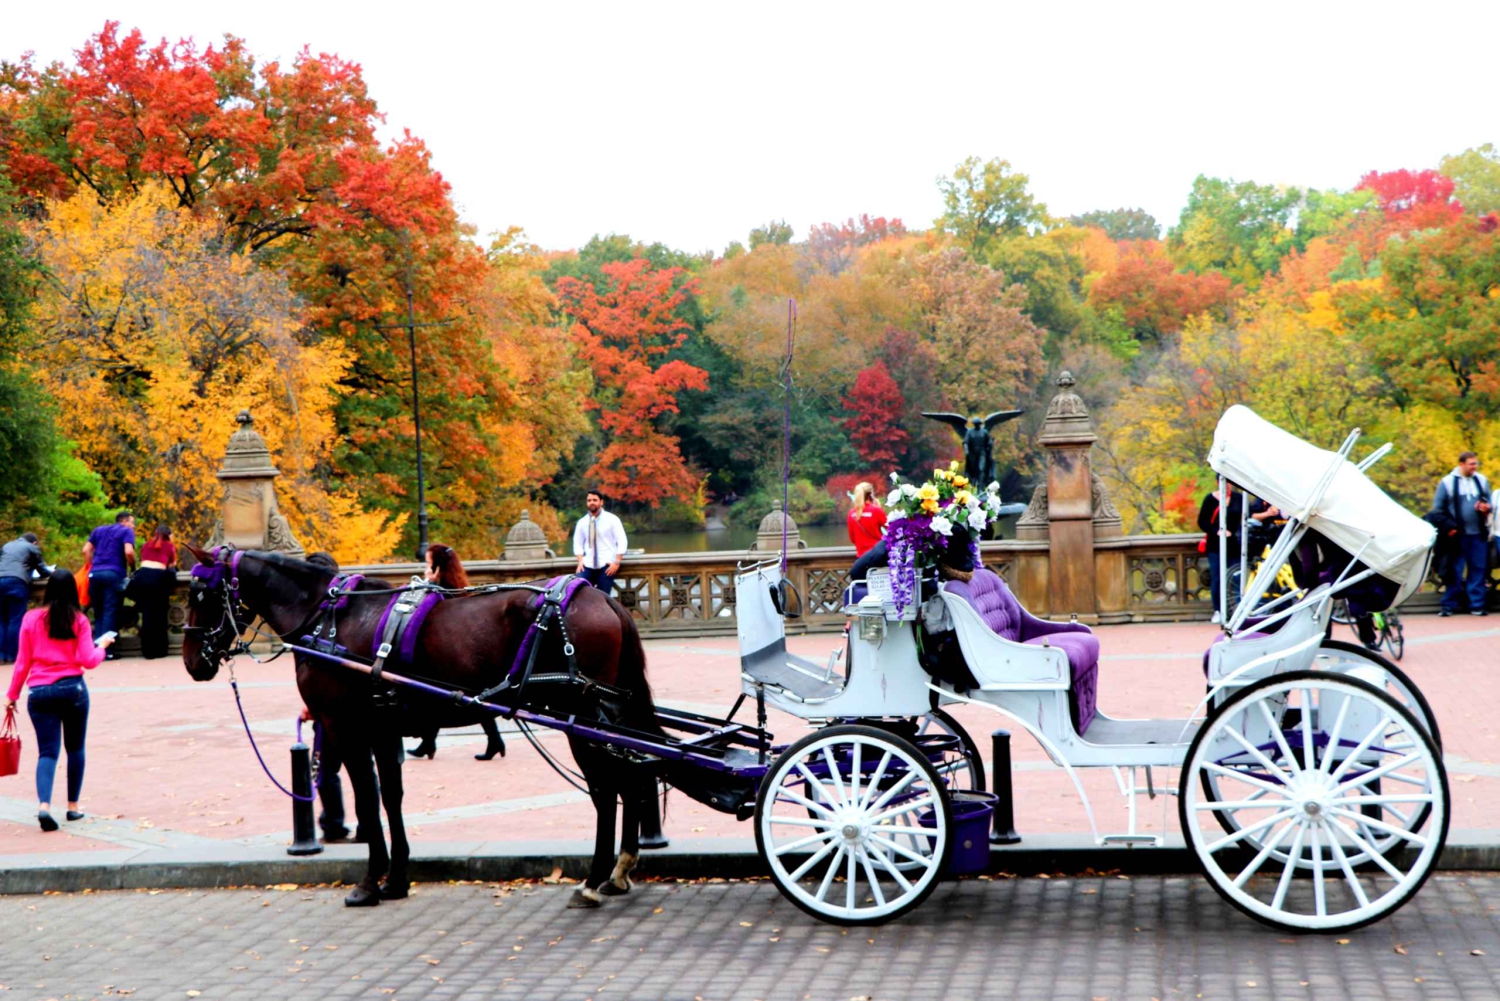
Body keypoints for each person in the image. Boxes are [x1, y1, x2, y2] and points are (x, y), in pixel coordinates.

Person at [6, 569, 111, 831]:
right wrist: (102, 648)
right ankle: (73, 807)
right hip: (72, 689)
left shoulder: (31, 619)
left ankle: (44, 806)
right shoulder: (79, 620)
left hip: (40, 692)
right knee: (75, 748)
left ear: (48, 590)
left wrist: (12, 695)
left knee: (47, 752)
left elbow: (23, 662)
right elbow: (88, 660)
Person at [408, 544, 506, 762]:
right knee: (441, 696)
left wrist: (430, 583)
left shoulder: (444, 591)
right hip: (452, 652)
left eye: (427, 563)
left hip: (450, 654)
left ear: (437, 567)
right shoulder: (455, 585)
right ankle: (429, 742)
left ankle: (493, 740)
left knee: (453, 696)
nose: (425, 568)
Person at [1430, 451, 1492, 617]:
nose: (1474, 467)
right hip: (1457, 535)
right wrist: (1449, 527)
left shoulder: (1481, 480)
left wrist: (1485, 507)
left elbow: (1488, 501)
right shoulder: (1448, 482)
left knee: (1478, 569)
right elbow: (1437, 509)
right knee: (1454, 570)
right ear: (1461, 464)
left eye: (1476, 464)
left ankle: (1477, 605)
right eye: (1471, 464)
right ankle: (1449, 605)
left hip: (1478, 533)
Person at [82, 511, 136, 652]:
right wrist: (133, 567)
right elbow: (129, 552)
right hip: (114, 573)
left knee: (99, 612)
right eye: (132, 523)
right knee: (110, 612)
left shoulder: (98, 530)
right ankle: (107, 651)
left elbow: (86, 550)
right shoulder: (126, 531)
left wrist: (90, 566)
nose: (133, 527)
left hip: (95, 574)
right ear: (124, 521)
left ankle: (96, 648)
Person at [127, 525, 177, 659]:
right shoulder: (169, 546)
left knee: (147, 616)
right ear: (168, 535)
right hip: (158, 580)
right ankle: (160, 650)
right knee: (159, 616)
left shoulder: (146, 545)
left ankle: (148, 651)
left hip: (142, 579)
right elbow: (171, 568)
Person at [0, 532, 49, 664]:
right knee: (15, 620)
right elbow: (43, 570)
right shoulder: (32, 547)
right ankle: (13, 656)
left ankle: (1, 655)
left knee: (2, 620)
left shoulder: (7, 546)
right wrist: (52, 572)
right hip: (17, 582)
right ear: (34, 543)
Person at [1198, 483, 1244, 623]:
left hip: (1234, 545)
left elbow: (1245, 516)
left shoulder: (1238, 498)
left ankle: (1237, 609)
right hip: (1215, 545)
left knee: (1236, 577)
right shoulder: (1210, 499)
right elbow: (1202, 521)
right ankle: (1218, 610)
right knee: (1217, 577)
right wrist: (1217, 531)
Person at [573, 489, 627, 596]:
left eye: (594, 500)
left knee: (603, 596)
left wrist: (617, 562)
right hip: (587, 565)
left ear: (601, 502)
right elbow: (577, 543)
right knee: (577, 590)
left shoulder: (612, 519)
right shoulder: (582, 522)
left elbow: (622, 541)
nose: (591, 502)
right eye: (589, 500)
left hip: (606, 565)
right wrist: (580, 561)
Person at [846, 482, 887, 557]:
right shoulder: (876, 510)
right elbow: (891, 530)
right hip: (877, 555)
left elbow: (852, 539)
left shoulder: (851, 513)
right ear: (871, 494)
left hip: (862, 557)